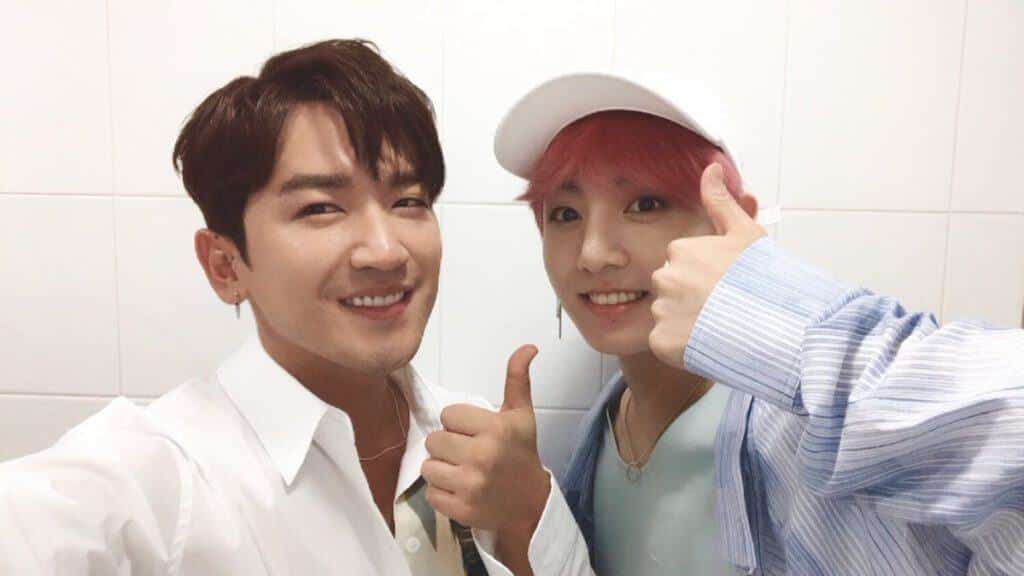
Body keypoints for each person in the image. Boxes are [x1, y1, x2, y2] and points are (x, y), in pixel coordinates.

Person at [0, 39, 569, 576]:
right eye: (321, 208)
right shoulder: (162, 476)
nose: (386, 250)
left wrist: (525, 512)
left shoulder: (476, 438)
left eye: (408, 201)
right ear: (226, 266)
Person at [470, 71, 1024, 575]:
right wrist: (528, 515)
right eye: (565, 214)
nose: (593, 254)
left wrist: (767, 307)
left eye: (645, 204)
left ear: (731, 227)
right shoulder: (601, 431)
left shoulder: (797, 430)